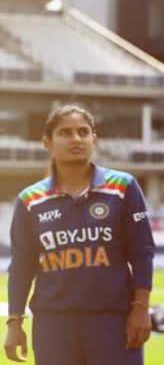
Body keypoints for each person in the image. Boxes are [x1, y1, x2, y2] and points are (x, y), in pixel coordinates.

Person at [4, 104, 155, 364]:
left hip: (113, 320)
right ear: (47, 143)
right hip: (54, 325)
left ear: (94, 140)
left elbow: (142, 253)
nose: (76, 139)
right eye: (65, 133)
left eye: (83, 132)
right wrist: (14, 322)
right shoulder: (30, 200)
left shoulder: (123, 187)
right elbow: (21, 266)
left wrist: (140, 309)